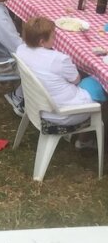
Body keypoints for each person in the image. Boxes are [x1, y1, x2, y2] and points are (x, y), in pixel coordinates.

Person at [16, 17, 105, 149]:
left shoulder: (21, 49)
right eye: (53, 37)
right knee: (99, 85)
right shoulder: (59, 59)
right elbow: (76, 80)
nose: (55, 39)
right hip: (62, 113)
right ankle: (85, 140)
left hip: (35, 104)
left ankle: (84, 138)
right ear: (42, 42)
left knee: (87, 82)